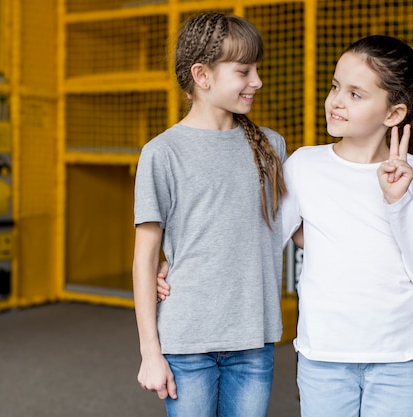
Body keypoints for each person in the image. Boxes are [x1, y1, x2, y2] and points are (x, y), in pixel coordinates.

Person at [281, 35, 413, 417]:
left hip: (399, 356)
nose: (336, 101)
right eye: (334, 86)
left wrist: (398, 202)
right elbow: (261, 241)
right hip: (324, 354)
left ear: (393, 114)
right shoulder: (303, 165)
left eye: (355, 94)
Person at [132, 12, 287, 417]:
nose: (257, 81)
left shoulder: (272, 146)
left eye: (257, 69)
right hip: (186, 341)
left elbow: (295, 228)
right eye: (244, 71)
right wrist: (151, 352)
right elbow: (145, 257)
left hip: (254, 339)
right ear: (202, 75)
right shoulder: (162, 152)